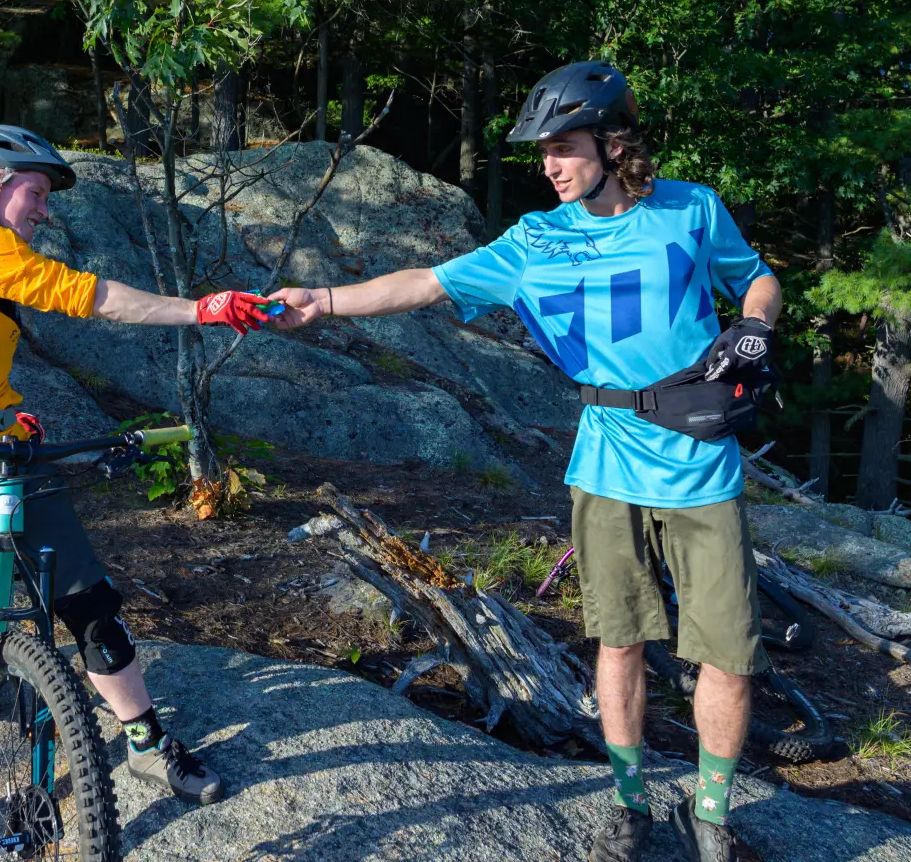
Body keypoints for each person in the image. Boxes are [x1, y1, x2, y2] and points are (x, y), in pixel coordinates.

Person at [269, 62, 781, 862]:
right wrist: (323, 301)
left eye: (565, 148)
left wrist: (756, 326)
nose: (549, 165)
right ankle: (630, 801)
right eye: (543, 151)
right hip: (605, 463)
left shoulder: (689, 210)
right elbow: (424, 284)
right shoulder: (534, 240)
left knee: (726, 652)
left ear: (614, 146)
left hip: (700, 462)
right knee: (618, 642)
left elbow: (757, 278)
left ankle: (712, 818)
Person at [0, 125, 271, 862]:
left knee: (90, 604)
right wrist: (204, 308)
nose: (45, 210)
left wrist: (7, 412)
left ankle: (148, 743)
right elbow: (84, 297)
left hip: (3, 451)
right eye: (36, 191)